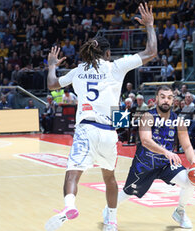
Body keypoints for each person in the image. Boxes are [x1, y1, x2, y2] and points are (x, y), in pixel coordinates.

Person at [44, 3, 157, 231]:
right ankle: (112, 222)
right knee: (110, 178)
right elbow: (151, 52)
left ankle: (69, 206)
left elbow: (52, 85)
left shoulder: (78, 70)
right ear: (107, 53)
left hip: (86, 128)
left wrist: (52, 66)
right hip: (108, 133)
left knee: (72, 173)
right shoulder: (115, 66)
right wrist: (150, 26)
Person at [106, 85, 195, 229]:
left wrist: (194, 163)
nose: (166, 100)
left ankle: (180, 211)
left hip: (166, 164)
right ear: (156, 100)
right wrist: (166, 152)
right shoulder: (148, 116)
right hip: (145, 163)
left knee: (191, 181)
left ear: (173, 100)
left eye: (169, 97)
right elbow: (146, 140)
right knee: (128, 192)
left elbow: (187, 146)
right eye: (162, 97)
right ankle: (110, 210)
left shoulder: (178, 121)